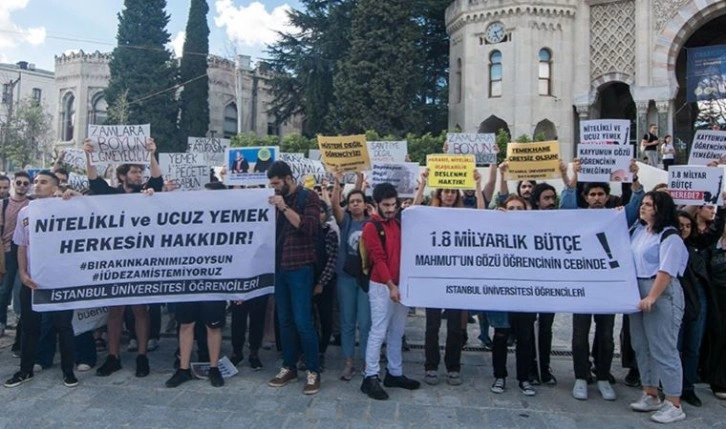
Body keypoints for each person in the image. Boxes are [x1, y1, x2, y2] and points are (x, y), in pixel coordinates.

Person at [84, 137, 163, 378]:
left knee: (140, 310)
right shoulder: (110, 194)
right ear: (122, 175)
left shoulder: (146, 193)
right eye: (134, 171)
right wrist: (88, 155)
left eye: (141, 171)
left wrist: (152, 154)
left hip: (139, 259)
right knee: (115, 311)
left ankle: (141, 356)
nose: (139, 175)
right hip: (115, 259)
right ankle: (113, 356)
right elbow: (93, 180)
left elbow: (157, 181)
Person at [561, 177, 643, 402]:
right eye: (592, 195)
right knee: (579, 334)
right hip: (583, 285)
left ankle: (604, 376)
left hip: (608, 287)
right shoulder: (578, 216)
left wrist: (634, 180)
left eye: (600, 194)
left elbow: (635, 205)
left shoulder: (616, 216)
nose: (596, 198)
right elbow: (565, 207)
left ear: (606, 196)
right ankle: (580, 376)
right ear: (586, 198)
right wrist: (571, 183)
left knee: (606, 335)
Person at [4, 171, 79, 388]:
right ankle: (25, 370)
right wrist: (23, 273)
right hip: (32, 280)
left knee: (64, 326)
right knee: (29, 327)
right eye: (35, 182)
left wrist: (72, 195)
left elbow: (92, 209)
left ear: (55, 187)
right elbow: (21, 245)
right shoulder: (25, 212)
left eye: (43, 182)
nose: (36, 185)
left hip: (61, 280)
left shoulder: (68, 208)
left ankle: (68, 371)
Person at [413, 168, 484, 387]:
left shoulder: (463, 215)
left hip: (456, 278)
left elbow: (483, 215)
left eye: (453, 191)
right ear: (439, 193)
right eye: (445, 191)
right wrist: (423, 184)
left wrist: (478, 185)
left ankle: (454, 367)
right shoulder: (429, 213)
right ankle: (431, 366)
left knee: (455, 327)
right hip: (434, 278)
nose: (449, 195)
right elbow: (414, 211)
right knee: (432, 326)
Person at [629, 191, 688, 423]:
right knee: (641, 344)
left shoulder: (669, 236)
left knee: (663, 347)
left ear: (660, 209)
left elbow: (666, 270)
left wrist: (652, 297)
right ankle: (650, 392)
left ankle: (674, 402)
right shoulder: (638, 231)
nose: (643, 208)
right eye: (642, 204)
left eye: (649, 205)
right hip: (638, 293)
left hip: (660, 293)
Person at [266, 161, 322, 395]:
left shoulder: (308, 197)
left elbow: (308, 227)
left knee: (302, 321)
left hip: (301, 267)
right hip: (280, 268)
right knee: (285, 321)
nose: (275, 188)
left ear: (288, 178)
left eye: (277, 183)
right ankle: (289, 366)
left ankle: (313, 370)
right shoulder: (274, 199)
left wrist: (283, 208)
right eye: (272, 185)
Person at [165, 181, 228, 388]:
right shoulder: (190, 217)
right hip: (189, 279)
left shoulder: (227, 221)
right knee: (186, 324)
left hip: (214, 281)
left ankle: (213, 368)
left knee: (213, 326)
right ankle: (183, 369)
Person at [360, 183, 420, 400]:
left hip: (399, 284)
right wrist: (390, 285)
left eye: (393, 205)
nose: (390, 209)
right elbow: (378, 259)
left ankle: (394, 373)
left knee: (397, 331)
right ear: (376, 204)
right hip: (381, 286)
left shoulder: (396, 223)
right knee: (378, 331)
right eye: (386, 205)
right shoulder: (371, 227)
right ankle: (370, 376)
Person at [489, 195, 537, 396]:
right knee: (500, 337)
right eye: (511, 208)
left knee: (525, 339)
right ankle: (499, 376)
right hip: (502, 293)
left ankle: (524, 379)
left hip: (525, 293)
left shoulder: (534, 233)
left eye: (520, 208)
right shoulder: (496, 231)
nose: (515, 212)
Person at [328, 171, 371, 381]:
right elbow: (334, 205)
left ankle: (365, 362)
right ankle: (348, 362)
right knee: (347, 322)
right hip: (345, 277)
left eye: (358, 201)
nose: (355, 204)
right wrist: (337, 182)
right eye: (352, 201)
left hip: (365, 279)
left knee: (365, 323)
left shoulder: (371, 223)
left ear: (364, 204)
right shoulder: (345, 222)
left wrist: (360, 182)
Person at [0, 172, 31, 347]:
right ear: (14, 183)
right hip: (6, 251)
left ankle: (20, 322)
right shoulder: (3, 204)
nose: (21, 186)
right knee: (4, 289)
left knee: (20, 289)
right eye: (18, 182)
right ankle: (1, 322)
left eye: (25, 183)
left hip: (24, 251)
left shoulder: (32, 204)